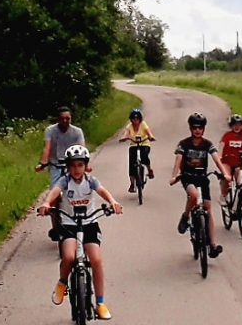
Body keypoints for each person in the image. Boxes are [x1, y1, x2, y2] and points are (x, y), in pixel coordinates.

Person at [38, 145, 123, 320]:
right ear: (68, 167)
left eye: (80, 165)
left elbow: (102, 191)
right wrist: (47, 204)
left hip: (89, 224)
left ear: (85, 166)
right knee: (69, 257)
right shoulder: (64, 181)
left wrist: (113, 202)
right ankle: (62, 282)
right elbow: (54, 192)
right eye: (73, 166)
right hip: (69, 225)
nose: (76, 169)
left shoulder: (91, 181)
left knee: (97, 259)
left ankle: (100, 303)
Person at [169, 112, 231, 258]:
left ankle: (213, 245)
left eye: (200, 127)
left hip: (203, 178)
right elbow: (178, 160)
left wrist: (225, 174)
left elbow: (216, 158)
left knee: (208, 209)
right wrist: (174, 176)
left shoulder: (207, 144)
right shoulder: (184, 144)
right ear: (190, 128)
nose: (198, 130)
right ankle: (185, 216)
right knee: (194, 196)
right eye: (195, 127)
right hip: (188, 177)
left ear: (204, 129)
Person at [35, 106, 88, 239]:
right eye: (62, 118)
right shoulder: (50, 131)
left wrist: (85, 166)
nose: (65, 121)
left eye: (68, 118)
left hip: (71, 165)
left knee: (78, 191)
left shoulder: (77, 132)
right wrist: (43, 163)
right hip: (55, 165)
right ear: (57, 119)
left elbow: (82, 149)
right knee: (54, 196)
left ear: (71, 119)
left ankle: (78, 222)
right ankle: (55, 227)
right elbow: (47, 147)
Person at [118, 108, 156, 192]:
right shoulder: (129, 126)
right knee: (131, 164)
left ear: (140, 119)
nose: (135, 121)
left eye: (137, 119)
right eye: (133, 119)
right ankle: (132, 183)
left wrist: (151, 136)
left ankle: (149, 170)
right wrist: (124, 138)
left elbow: (148, 132)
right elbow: (126, 133)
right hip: (134, 145)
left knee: (144, 156)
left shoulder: (143, 124)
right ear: (131, 119)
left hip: (144, 143)